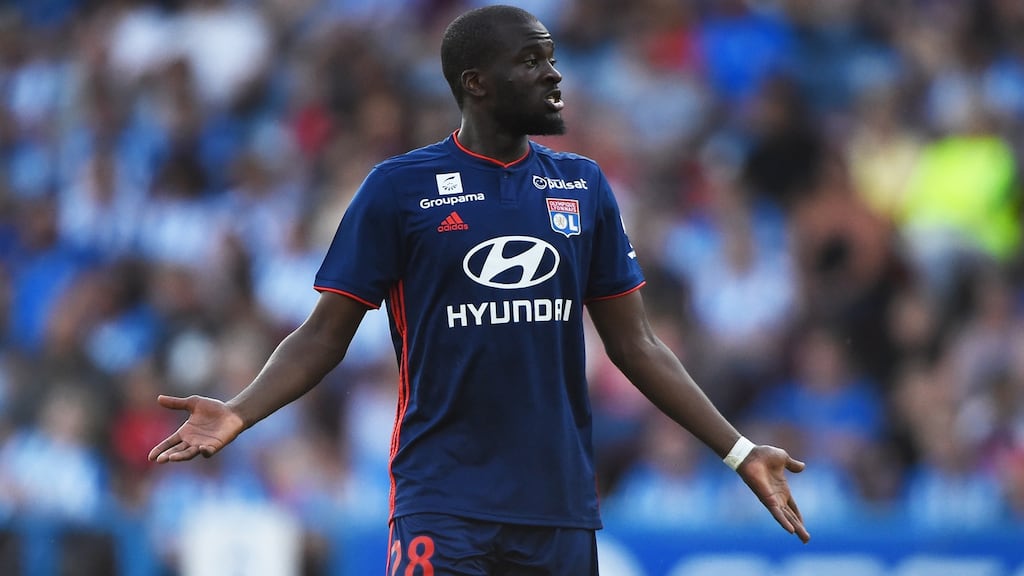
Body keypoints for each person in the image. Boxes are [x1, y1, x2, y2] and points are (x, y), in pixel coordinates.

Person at [149, 5, 810, 574]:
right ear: (477, 83)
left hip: (558, 506)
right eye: (531, 61)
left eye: (552, 59)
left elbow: (638, 345)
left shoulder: (581, 185)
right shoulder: (399, 188)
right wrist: (240, 411)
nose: (554, 75)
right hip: (443, 499)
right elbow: (323, 333)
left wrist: (739, 451)